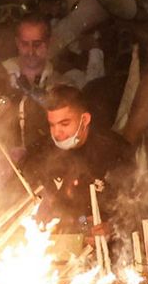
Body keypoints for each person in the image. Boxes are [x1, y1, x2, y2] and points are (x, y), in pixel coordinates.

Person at [29, 85, 133, 227]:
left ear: (84, 119)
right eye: (52, 125)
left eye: (64, 124)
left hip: (105, 241)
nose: (57, 133)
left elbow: (134, 206)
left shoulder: (114, 152)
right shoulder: (46, 150)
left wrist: (112, 226)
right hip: (58, 234)